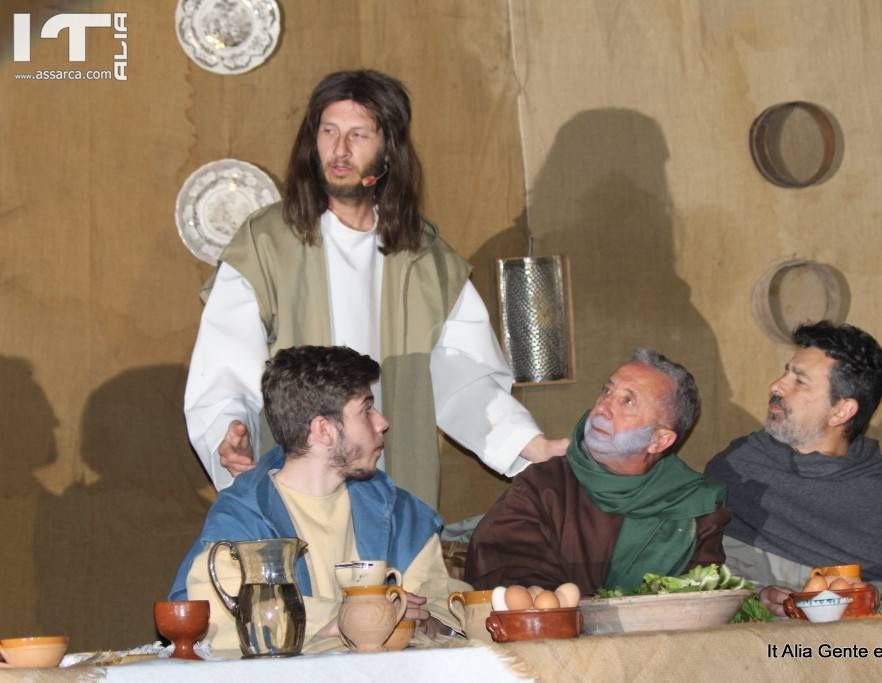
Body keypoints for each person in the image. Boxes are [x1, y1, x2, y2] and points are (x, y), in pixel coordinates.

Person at [184, 69, 566, 506]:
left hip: (390, 492)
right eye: (329, 131)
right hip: (296, 496)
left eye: (359, 135)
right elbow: (224, 368)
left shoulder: (426, 261)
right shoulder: (265, 245)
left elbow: (467, 380)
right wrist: (229, 433)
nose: (340, 150)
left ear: (389, 150)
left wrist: (528, 444)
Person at [171, 345, 471, 650]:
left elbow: (441, 600)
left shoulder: (395, 511)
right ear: (323, 430)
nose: (382, 422)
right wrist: (348, 617)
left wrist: (428, 622)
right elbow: (217, 616)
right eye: (366, 410)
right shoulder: (243, 516)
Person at [464, 348, 730, 595]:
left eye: (628, 401)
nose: (602, 407)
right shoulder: (544, 486)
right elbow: (505, 571)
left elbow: (701, 603)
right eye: (607, 391)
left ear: (659, 441)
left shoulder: (695, 507)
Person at [705, 321, 882, 616]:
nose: (776, 386)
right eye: (786, 373)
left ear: (841, 410)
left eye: (800, 381)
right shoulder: (738, 466)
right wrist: (757, 596)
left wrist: (862, 597)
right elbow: (702, 568)